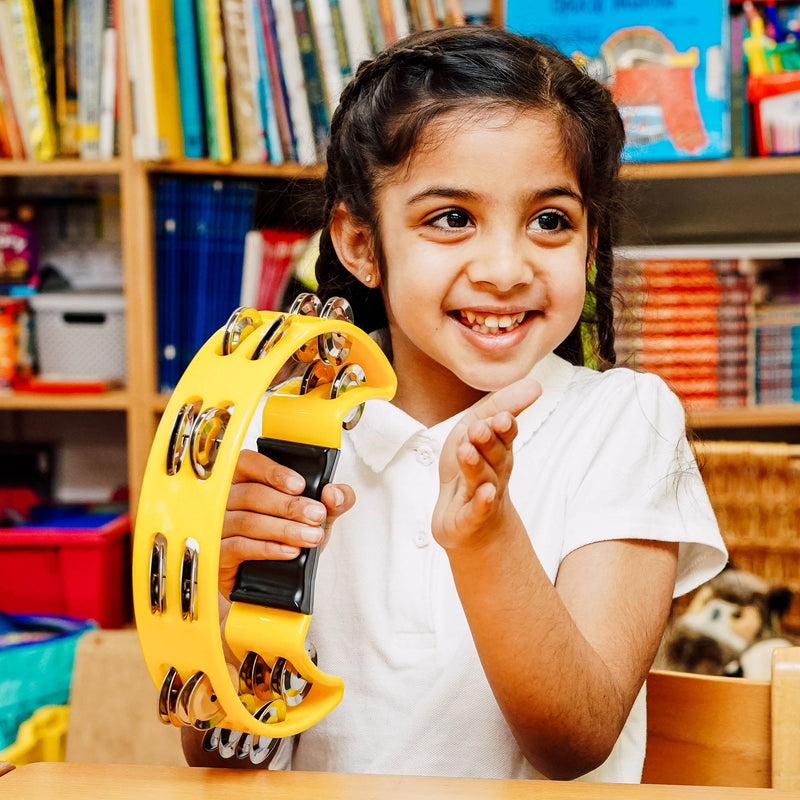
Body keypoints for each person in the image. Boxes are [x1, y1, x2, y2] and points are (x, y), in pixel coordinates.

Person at [182, 25, 727, 781]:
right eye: (451, 218)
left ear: (588, 237)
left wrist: (484, 540)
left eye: (549, 220)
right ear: (361, 244)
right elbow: (221, 753)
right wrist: (215, 594)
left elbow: (577, 737)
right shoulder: (291, 421)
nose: (505, 269)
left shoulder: (627, 421)